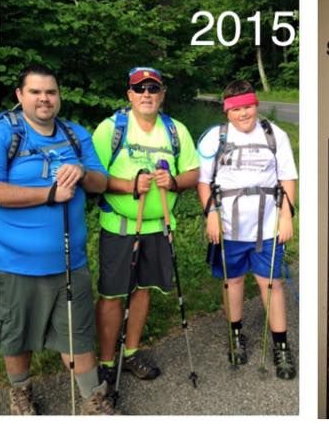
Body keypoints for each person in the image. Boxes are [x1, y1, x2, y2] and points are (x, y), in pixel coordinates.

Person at [0, 64, 113, 415]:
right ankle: (20, 392)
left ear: (59, 95)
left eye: (50, 92)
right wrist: (49, 194)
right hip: (15, 263)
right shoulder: (4, 133)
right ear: (20, 95)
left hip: (70, 262)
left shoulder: (75, 134)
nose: (44, 98)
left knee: (78, 336)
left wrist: (81, 172)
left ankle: (93, 401)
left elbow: (101, 183)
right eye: (35, 92)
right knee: (17, 336)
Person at [92, 67, 200, 385]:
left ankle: (131, 353)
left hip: (159, 226)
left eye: (153, 88)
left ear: (162, 94)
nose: (147, 94)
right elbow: (92, 177)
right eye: (139, 89)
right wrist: (129, 186)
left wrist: (175, 181)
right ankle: (106, 361)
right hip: (120, 227)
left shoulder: (176, 130)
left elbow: (194, 172)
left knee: (143, 291)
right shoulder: (110, 129)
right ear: (130, 94)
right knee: (112, 294)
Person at [196, 80, 298, 379]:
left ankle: (281, 345)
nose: (244, 114)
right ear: (226, 111)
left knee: (271, 283)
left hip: (267, 225)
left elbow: (287, 177)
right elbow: (204, 182)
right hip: (228, 227)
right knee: (233, 281)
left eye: (248, 107)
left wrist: (286, 215)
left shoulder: (274, 134)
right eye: (236, 109)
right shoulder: (215, 138)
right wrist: (210, 213)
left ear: (256, 105)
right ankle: (235, 333)